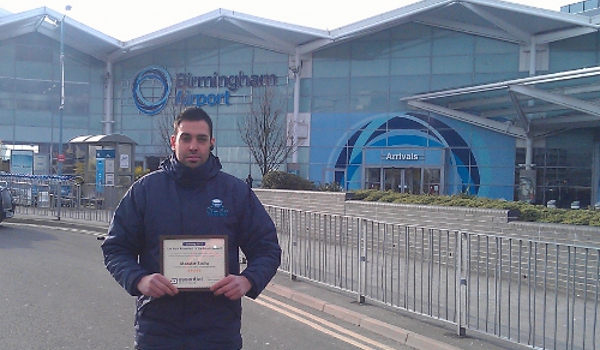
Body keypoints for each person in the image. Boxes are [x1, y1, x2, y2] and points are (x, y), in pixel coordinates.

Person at [101, 107, 281, 350]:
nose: (193, 146)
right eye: (186, 138)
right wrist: (139, 279)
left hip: (218, 331)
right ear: (174, 141)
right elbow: (116, 248)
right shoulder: (145, 191)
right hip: (157, 330)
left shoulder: (235, 193)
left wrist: (248, 280)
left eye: (201, 139)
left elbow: (267, 248)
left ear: (211, 143)